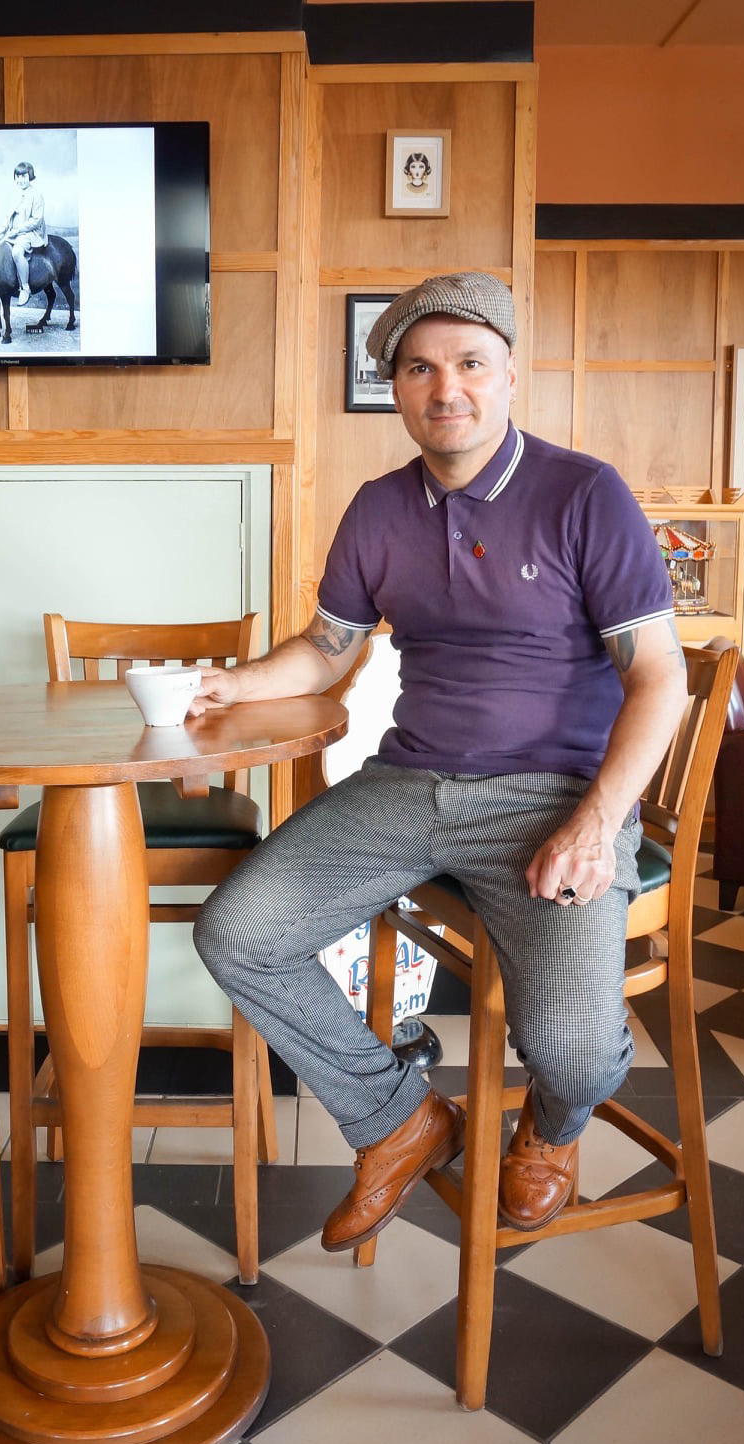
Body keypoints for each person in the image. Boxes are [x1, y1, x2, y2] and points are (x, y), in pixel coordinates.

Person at [191, 272, 688, 1255]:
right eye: (419, 368)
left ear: (509, 376)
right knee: (238, 933)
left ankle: (552, 1126)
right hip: (408, 785)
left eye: (469, 363)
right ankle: (399, 1118)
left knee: (576, 1050)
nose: (444, 387)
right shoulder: (379, 508)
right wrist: (234, 684)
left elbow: (660, 677)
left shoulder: (584, 494)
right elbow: (330, 647)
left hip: (556, 796)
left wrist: (596, 823)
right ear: (395, 387)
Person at [0, 161, 46, 306]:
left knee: (17, 252)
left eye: (24, 176)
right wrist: (1, 230)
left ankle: (25, 288)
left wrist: (18, 230)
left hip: (30, 232)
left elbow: (36, 220)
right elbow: (8, 216)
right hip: (13, 231)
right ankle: (0, 284)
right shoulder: (14, 195)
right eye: (17, 176)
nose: (20, 180)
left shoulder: (36, 194)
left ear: (30, 176)